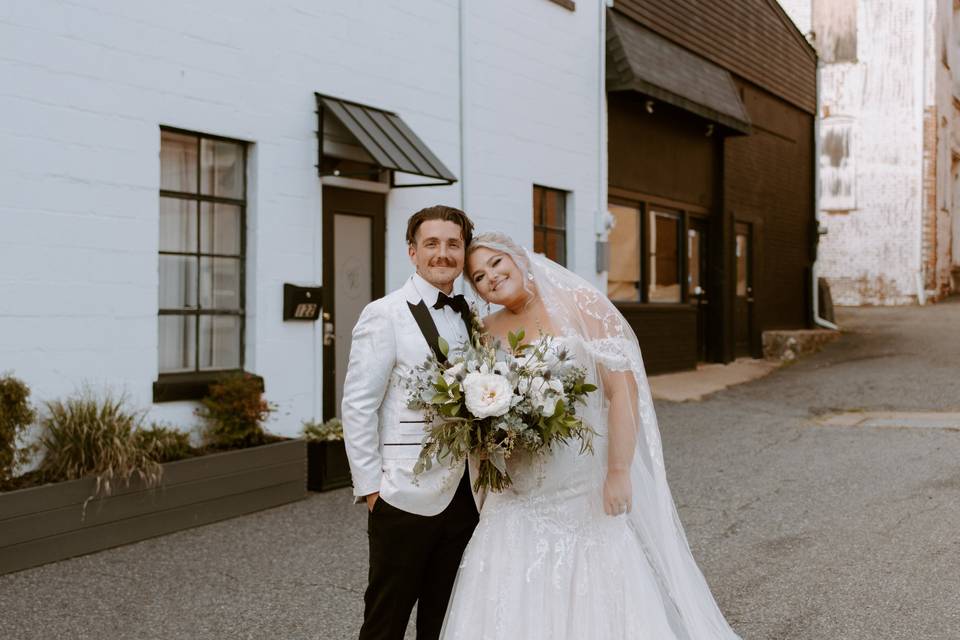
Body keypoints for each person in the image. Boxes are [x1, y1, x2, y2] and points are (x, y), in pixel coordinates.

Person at [438, 232, 742, 640]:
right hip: (518, 484)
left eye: (496, 263)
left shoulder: (580, 305)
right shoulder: (485, 331)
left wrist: (619, 471)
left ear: (520, 260)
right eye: (478, 276)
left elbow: (621, 390)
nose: (490, 277)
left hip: (579, 479)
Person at [341, 206, 481, 640]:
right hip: (402, 495)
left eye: (453, 244)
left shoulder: (472, 315)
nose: (443, 253)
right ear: (412, 252)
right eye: (432, 244)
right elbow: (358, 405)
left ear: (463, 252)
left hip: (465, 496)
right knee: (386, 619)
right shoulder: (385, 314)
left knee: (445, 621)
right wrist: (371, 491)